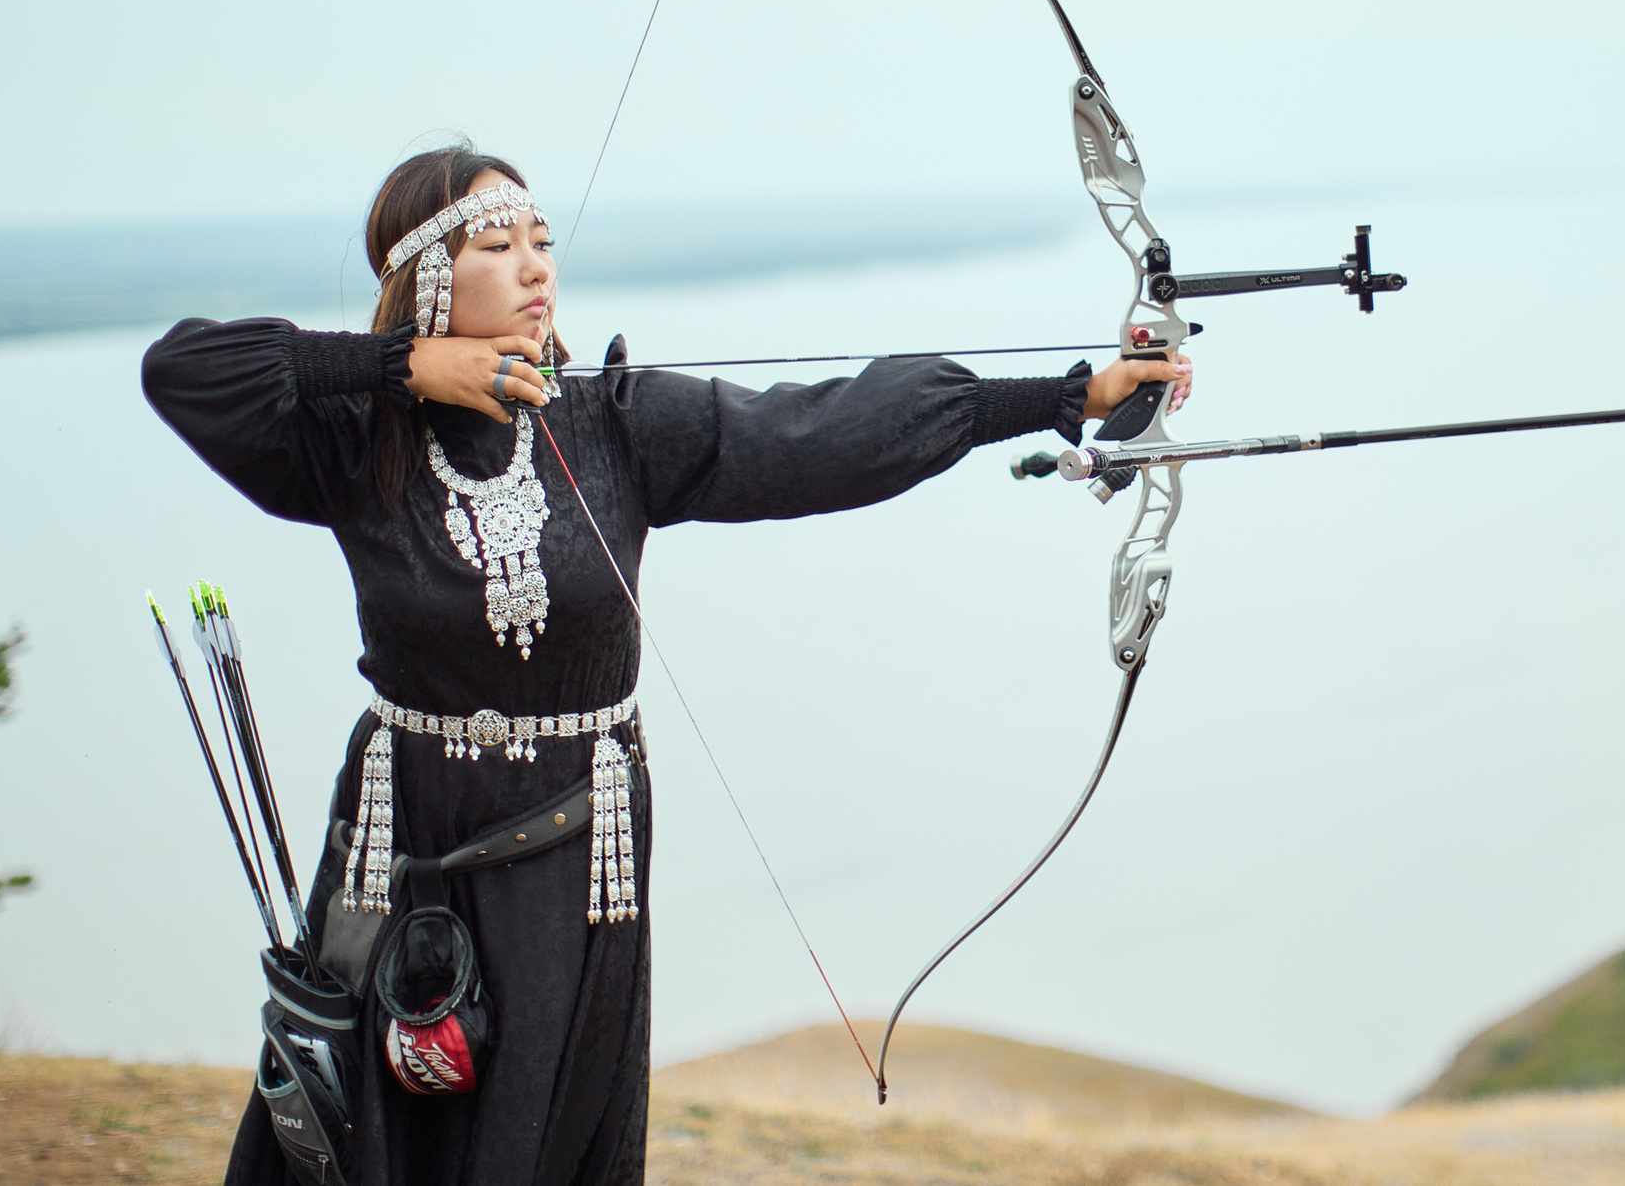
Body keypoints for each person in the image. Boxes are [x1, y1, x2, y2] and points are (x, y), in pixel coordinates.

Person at [142, 145, 1192, 1186]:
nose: (536, 267)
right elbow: (181, 369)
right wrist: (402, 368)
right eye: (497, 246)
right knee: (373, 1140)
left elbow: (818, 432)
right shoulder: (355, 441)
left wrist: (1071, 394)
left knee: (537, 1139)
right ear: (426, 278)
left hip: (566, 861)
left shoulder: (612, 422)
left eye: (542, 242)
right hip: (400, 843)